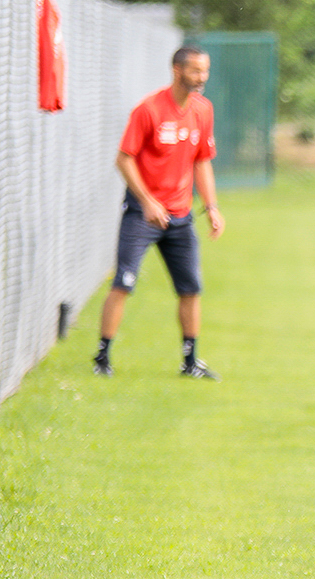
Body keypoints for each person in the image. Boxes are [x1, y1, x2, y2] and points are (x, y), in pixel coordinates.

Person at [93, 45, 224, 379]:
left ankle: (190, 362)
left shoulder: (203, 110)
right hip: (143, 215)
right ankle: (102, 357)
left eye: (205, 70)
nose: (202, 77)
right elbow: (124, 158)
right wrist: (148, 201)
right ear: (177, 70)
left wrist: (211, 207)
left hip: (181, 216)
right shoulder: (149, 109)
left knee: (191, 289)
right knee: (123, 283)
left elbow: (202, 160)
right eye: (195, 70)